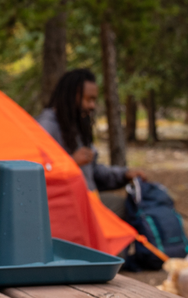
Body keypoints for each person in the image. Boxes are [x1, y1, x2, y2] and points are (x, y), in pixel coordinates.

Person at [36, 69, 146, 213]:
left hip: (89, 200)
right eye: (88, 99)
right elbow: (36, 175)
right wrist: (71, 162)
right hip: (65, 209)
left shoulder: (77, 124)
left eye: (94, 100)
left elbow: (93, 171)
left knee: (141, 205)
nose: (92, 106)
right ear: (71, 95)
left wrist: (124, 174)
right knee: (133, 212)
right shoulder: (45, 126)